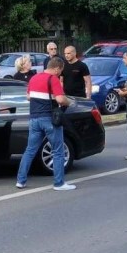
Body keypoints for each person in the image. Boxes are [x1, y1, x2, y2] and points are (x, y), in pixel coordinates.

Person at [16, 57, 77, 191]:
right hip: (49, 119)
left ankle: (21, 181)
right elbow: (61, 99)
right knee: (58, 151)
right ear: (56, 68)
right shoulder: (53, 79)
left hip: (34, 119)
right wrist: (69, 102)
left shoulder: (34, 78)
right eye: (60, 71)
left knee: (30, 150)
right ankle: (59, 183)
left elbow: (28, 96)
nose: (60, 74)